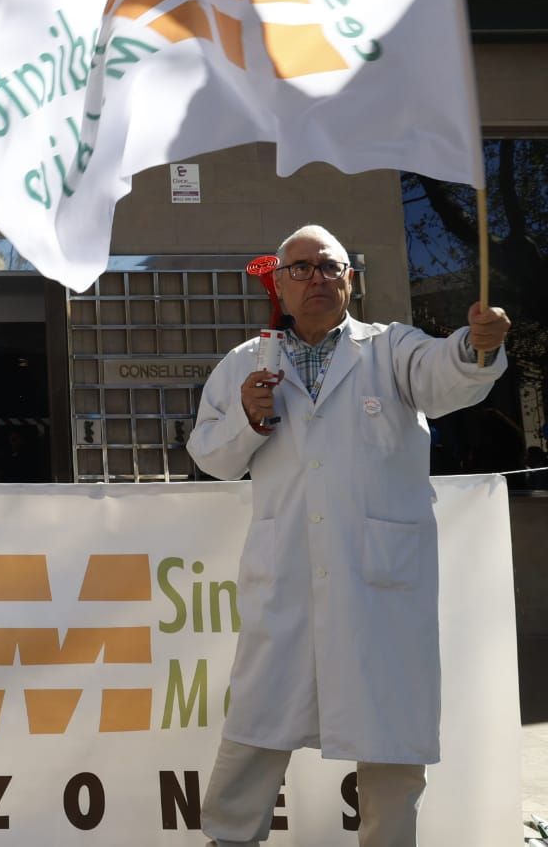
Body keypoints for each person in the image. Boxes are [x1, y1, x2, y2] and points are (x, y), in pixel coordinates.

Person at [188, 224, 512, 847]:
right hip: (288, 577)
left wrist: (476, 345)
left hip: (377, 584)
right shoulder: (245, 363)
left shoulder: (391, 349)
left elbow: (447, 375)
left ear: (350, 280)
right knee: (257, 724)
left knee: (390, 736)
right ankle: (230, 839)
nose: (317, 278)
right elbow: (212, 456)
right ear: (279, 283)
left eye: (329, 267)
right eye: (301, 268)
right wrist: (249, 418)